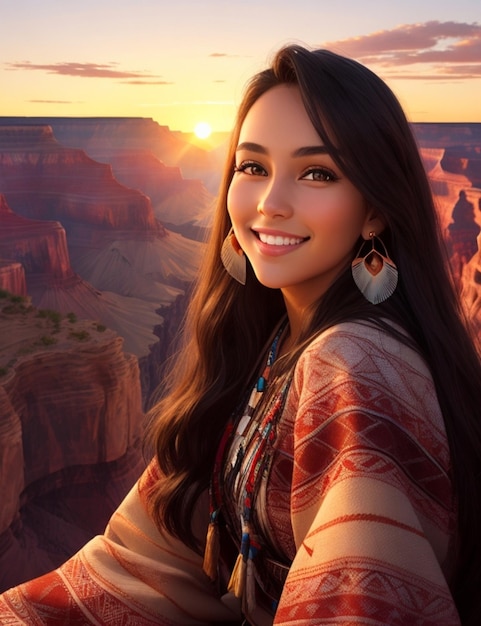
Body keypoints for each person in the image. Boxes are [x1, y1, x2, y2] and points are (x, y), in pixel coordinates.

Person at [1, 44, 481, 626]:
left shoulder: (352, 363)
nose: (270, 204)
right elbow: (143, 556)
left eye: (317, 173)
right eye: (252, 167)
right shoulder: (278, 342)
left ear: (375, 211)